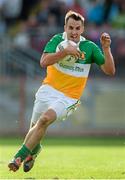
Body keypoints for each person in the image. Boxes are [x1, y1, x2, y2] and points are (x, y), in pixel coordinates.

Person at [8, 10, 115, 172]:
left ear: (82, 29)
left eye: (77, 28)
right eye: (70, 27)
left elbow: (110, 71)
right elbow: (43, 62)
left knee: (44, 120)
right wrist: (64, 52)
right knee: (35, 127)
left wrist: (106, 49)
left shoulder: (90, 47)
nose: (73, 32)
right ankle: (34, 151)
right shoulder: (57, 40)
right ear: (65, 27)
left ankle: (18, 158)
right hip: (48, 90)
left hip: (69, 97)